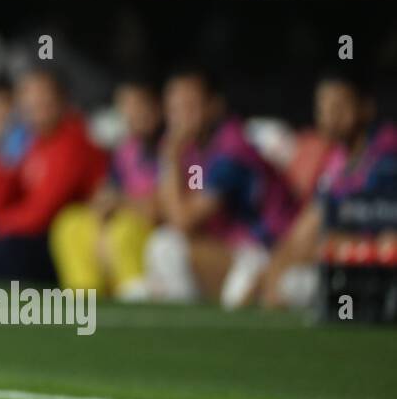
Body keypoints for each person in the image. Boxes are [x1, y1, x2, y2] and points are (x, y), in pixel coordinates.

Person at [142, 68, 298, 307]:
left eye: (189, 106)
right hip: (231, 249)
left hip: (268, 251)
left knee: (166, 246)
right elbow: (165, 208)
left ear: (214, 105)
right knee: (164, 245)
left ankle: (189, 327)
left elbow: (183, 219)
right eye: (174, 109)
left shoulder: (231, 150)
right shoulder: (194, 148)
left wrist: (170, 158)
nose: (180, 117)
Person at [0, 67, 107, 280]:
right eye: (27, 95)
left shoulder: (72, 143)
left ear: (61, 99)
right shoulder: (29, 141)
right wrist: (2, 167)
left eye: (43, 95)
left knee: (2, 251)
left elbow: (42, 213)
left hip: (63, 240)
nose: (35, 102)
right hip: (34, 237)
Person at [255, 74, 397, 308]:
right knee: (287, 283)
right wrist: (275, 270)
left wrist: (321, 247)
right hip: (352, 265)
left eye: (340, 106)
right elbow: (306, 226)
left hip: (380, 266)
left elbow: (380, 234)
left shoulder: (387, 152)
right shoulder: (337, 158)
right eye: (323, 107)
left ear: (366, 108)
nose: (330, 115)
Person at [50, 77, 162, 298]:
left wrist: (122, 202)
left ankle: (134, 292)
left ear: (157, 108)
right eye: (125, 106)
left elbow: (161, 207)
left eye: (138, 105)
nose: (132, 113)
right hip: (122, 216)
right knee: (69, 223)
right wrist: (103, 209)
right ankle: (84, 295)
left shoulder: (174, 150)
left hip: (148, 226)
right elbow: (106, 192)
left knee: (122, 231)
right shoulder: (125, 151)